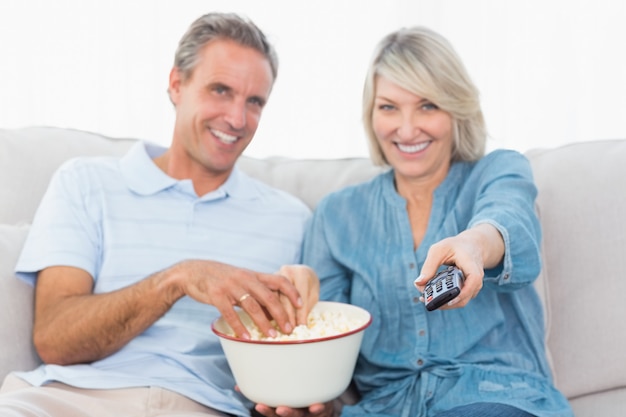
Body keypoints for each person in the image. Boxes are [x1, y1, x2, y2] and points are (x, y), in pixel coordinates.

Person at [0, 12, 320, 417]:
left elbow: (312, 362)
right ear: (176, 85)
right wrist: (177, 279)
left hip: (209, 407)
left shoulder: (292, 218)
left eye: (254, 101)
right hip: (71, 399)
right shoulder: (86, 183)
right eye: (220, 90)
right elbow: (55, 340)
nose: (238, 120)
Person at [294, 26, 575, 416]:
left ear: (456, 108)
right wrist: (317, 402)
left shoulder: (498, 170)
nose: (407, 129)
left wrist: (474, 246)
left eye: (427, 105)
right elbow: (328, 348)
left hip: (494, 398)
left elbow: (510, 220)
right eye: (389, 107)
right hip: (383, 409)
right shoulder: (337, 215)